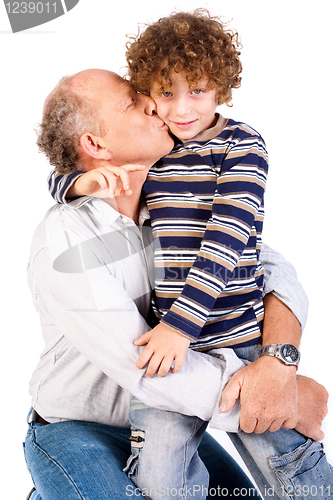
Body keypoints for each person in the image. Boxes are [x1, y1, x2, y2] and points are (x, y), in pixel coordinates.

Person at [56, 11, 333, 499]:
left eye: (198, 90)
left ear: (222, 88)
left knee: (291, 468)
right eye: (165, 94)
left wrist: (181, 327)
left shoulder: (241, 146)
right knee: (159, 475)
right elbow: (64, 169)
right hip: (173, 352)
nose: (181, 109)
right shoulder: (159, 150)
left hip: (237, 339)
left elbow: (228, 240)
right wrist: (78, 182)